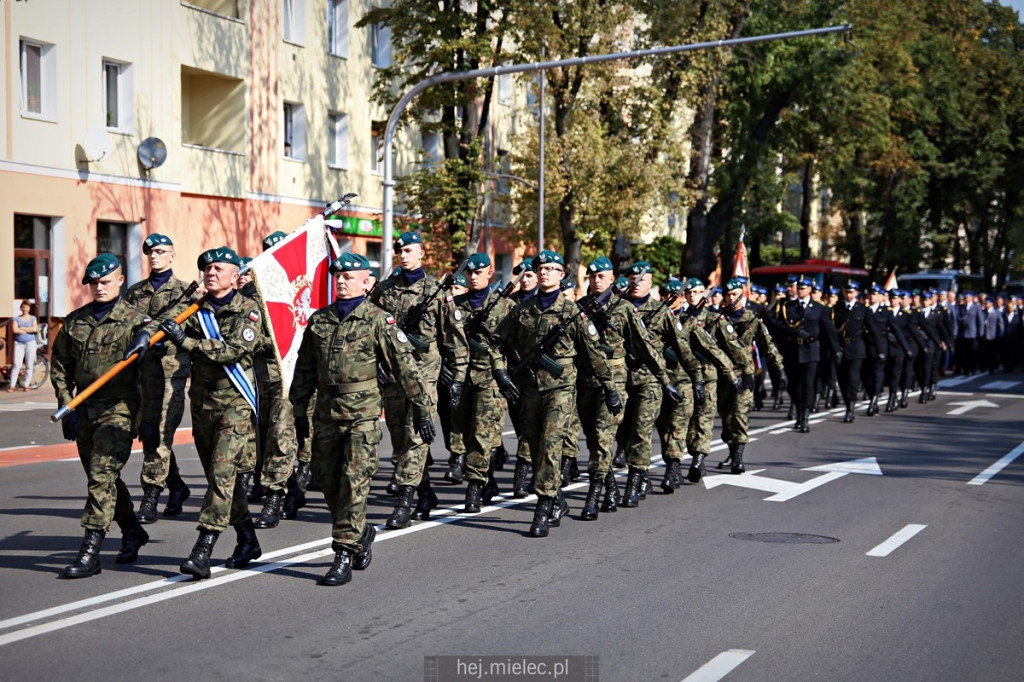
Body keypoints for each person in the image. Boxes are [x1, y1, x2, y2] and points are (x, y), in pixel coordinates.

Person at [290, 253, 434, 586]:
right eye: (337, 276)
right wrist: (298, 409)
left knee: (355, 481)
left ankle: (341, 552)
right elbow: (305, 369)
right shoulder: (320, 320)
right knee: (327, 482)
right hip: (326, 414)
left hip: (363, 415)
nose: (341, 281)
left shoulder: (378, 320)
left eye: (349, 276)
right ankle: (360, 532)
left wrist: (422, 408)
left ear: (366, 281)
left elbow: (406, 368)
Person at [158, 247, 266, 579]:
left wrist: (188, 343)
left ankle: (202, 550)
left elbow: (233, 351)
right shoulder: (197, 309)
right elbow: (165, 320)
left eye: (219, 268)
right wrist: (189, 299)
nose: (211, 272)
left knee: (222, 477)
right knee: (219, 480)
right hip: (203, 406)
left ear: (236, 276)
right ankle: (248, 540)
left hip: (234, 406)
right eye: (206, 268)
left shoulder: (248, 311)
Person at [498, 250, 617, 537]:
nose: (544, 273)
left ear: (561, 275)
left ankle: (542, 507)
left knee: (551, 445)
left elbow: (595, 355)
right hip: (529, 388)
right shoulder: (521, 311)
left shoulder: (573, 313)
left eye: (551, 269)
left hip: (560, 390)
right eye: (540, 268)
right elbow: (497, 343)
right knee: (535, 447)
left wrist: (610, 388)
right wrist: (500, 372)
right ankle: (556, 498)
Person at [51, 254, 154, 578]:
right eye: (94, 282)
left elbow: (152, 376)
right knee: (105, 479)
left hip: (119, 409)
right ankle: (133, 531)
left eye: (106, 281)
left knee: (100, 477)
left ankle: (90, 551)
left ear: (120, 281)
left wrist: (149, 419)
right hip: (85, 409)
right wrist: (67, 406)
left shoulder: (137, 322)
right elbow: (60, 367)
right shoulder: (75, 321)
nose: (99, 287)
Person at [370, 231, 468, 529]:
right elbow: (371, 330)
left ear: (422, 254)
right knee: (399, 439)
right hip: (393, 375)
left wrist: (458, 378)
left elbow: (454, 338)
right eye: (400, 250)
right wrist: (376, 364)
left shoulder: (436, 292)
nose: (403, 254)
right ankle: (425, 492)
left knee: (416, 435)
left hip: (425, 375)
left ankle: (405, 500)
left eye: (410, 250)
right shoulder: (384, 290)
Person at [124, 233, 194, 523]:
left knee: (160, 434)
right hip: (141, 374)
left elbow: (187, 327)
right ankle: (177, 487)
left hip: (169, 374)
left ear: (172, 256)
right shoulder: (135, 292)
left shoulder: (186, 293)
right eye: (150, 251)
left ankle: (150, 497)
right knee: (149, 434)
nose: (154, 256)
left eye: (161, 251)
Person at [451, 253, 520, 513]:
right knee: (465, 433)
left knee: (483, 433)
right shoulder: (455, 304)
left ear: (490, 273)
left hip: (491, 376)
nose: (473, 276)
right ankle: (488, 479)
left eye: (478, 272)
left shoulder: (504, 306)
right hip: (461, 376)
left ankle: (474, 487)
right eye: (469, 273)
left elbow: (512, 344)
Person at [242, 231, 300, 529]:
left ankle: (274, 496)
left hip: (286, 374)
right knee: (261, 434)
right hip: (256, 375)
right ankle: (285, 486)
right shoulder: (251, 293)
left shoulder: (295, 289)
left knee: (280, 434)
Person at [717, 278, 785, 472]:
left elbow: (767, 345)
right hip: (723, 376)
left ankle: (738, 458)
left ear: (743, 294)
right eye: (728, 295)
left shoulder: (752, 318)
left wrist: (779, 368)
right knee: (726, 417)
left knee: (740, 415)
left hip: (745, 373)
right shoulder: (718, 319)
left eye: (736, 294)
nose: (732, 298)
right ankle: (731, 452)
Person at [766, 275, 840, 433]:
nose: (799, 290)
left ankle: (805, 416)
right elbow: (777, 326)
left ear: (810, 289)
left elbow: (830, 330)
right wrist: (794, 331)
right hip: (792, 349)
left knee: (808, 385)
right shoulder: (788, 306)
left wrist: (837, 350)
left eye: (803, 288)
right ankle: (799, 410)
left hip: (811, 349)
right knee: (793, 386)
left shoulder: (820, 308)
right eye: (798, 287)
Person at [8, 299, 39, 391]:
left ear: (29, 308)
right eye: (23, 307)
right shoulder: (16, 318)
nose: (25, 308)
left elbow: (35, 329)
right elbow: (15, 330)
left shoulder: (33, 318)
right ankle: (12, 386)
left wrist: (22, 328)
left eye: (27, 307)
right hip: (19, 344)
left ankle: (26, 385)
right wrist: (28, 330)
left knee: (29, 365)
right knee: (17, 364)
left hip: (31, 343)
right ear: (21, 308)